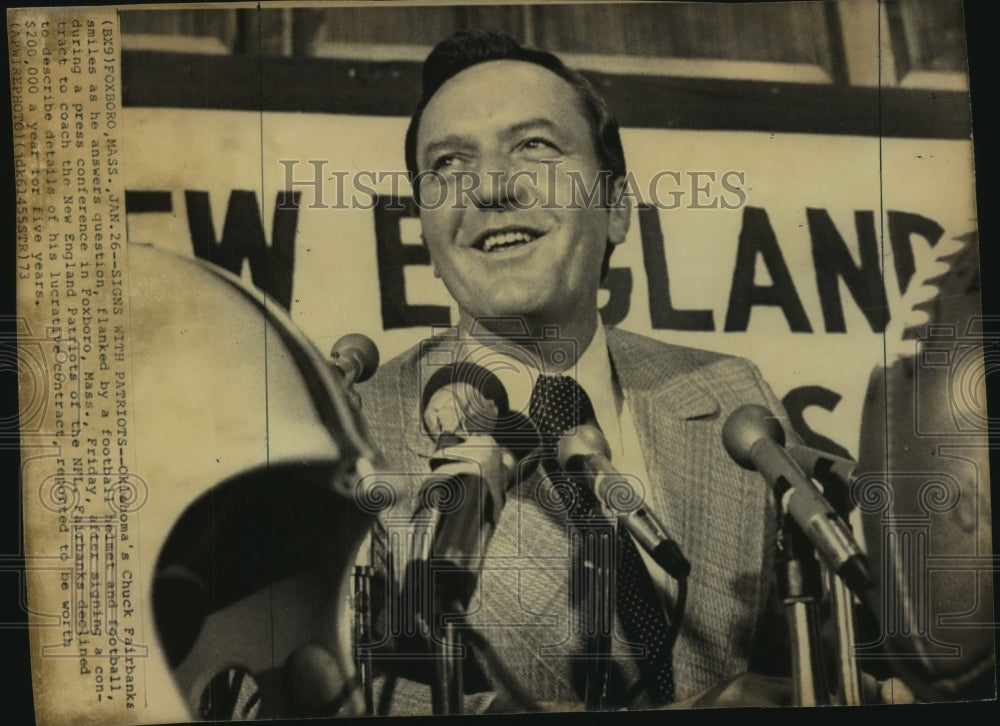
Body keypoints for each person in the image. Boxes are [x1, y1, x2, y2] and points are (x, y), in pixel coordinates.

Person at [353, 30, 908, 714]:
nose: (491, 187)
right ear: (427, 237)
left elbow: (821, 653)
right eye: (448, 163)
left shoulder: (731, 393)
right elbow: (280, 693)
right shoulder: (349, 429)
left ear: (616, 208)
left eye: (535, 147)